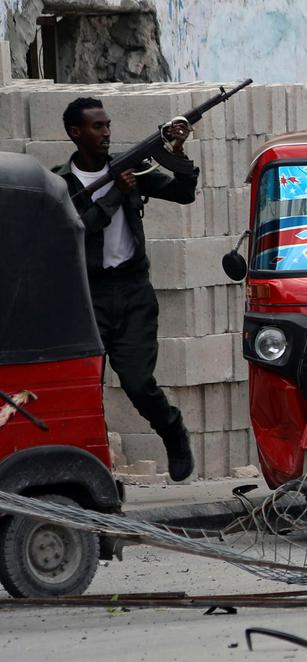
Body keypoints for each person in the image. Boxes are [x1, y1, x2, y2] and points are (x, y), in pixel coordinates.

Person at [52, 97, 198, 482]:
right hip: (87, 296)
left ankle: (173, 432)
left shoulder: (128, 168)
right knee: (84, 387)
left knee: (137, 382)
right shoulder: (59, 185)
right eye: (97, 127)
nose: (106, 133)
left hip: (133, 291)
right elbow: (81, 229)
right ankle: (89, 465)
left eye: (108, 125)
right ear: (75, 133)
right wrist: (117, 192)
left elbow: (183, 193)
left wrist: (178, 153)